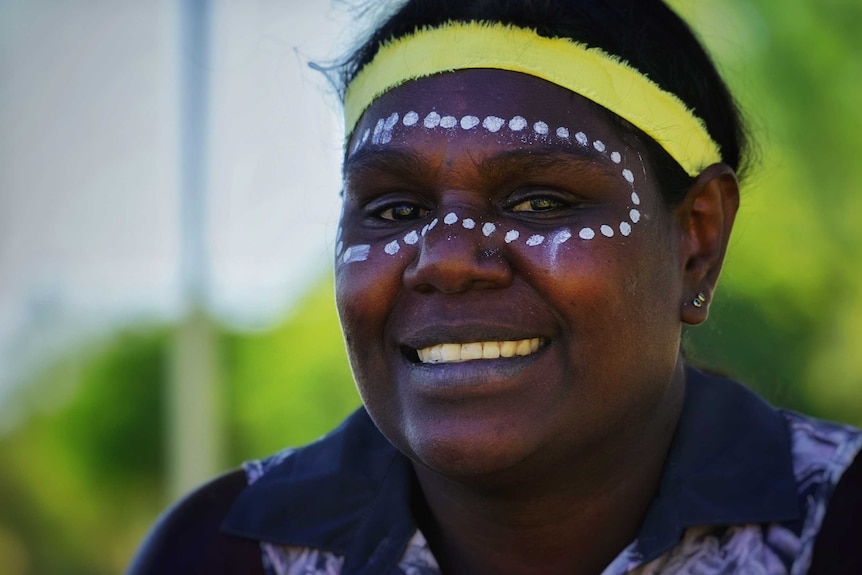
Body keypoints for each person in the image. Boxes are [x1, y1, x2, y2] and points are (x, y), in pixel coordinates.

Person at [127, 1, 862, 573]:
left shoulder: (837, 526)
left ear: (697, 243)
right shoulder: (225, 554)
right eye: (396, 210)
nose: (444, 260)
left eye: (539, 201)